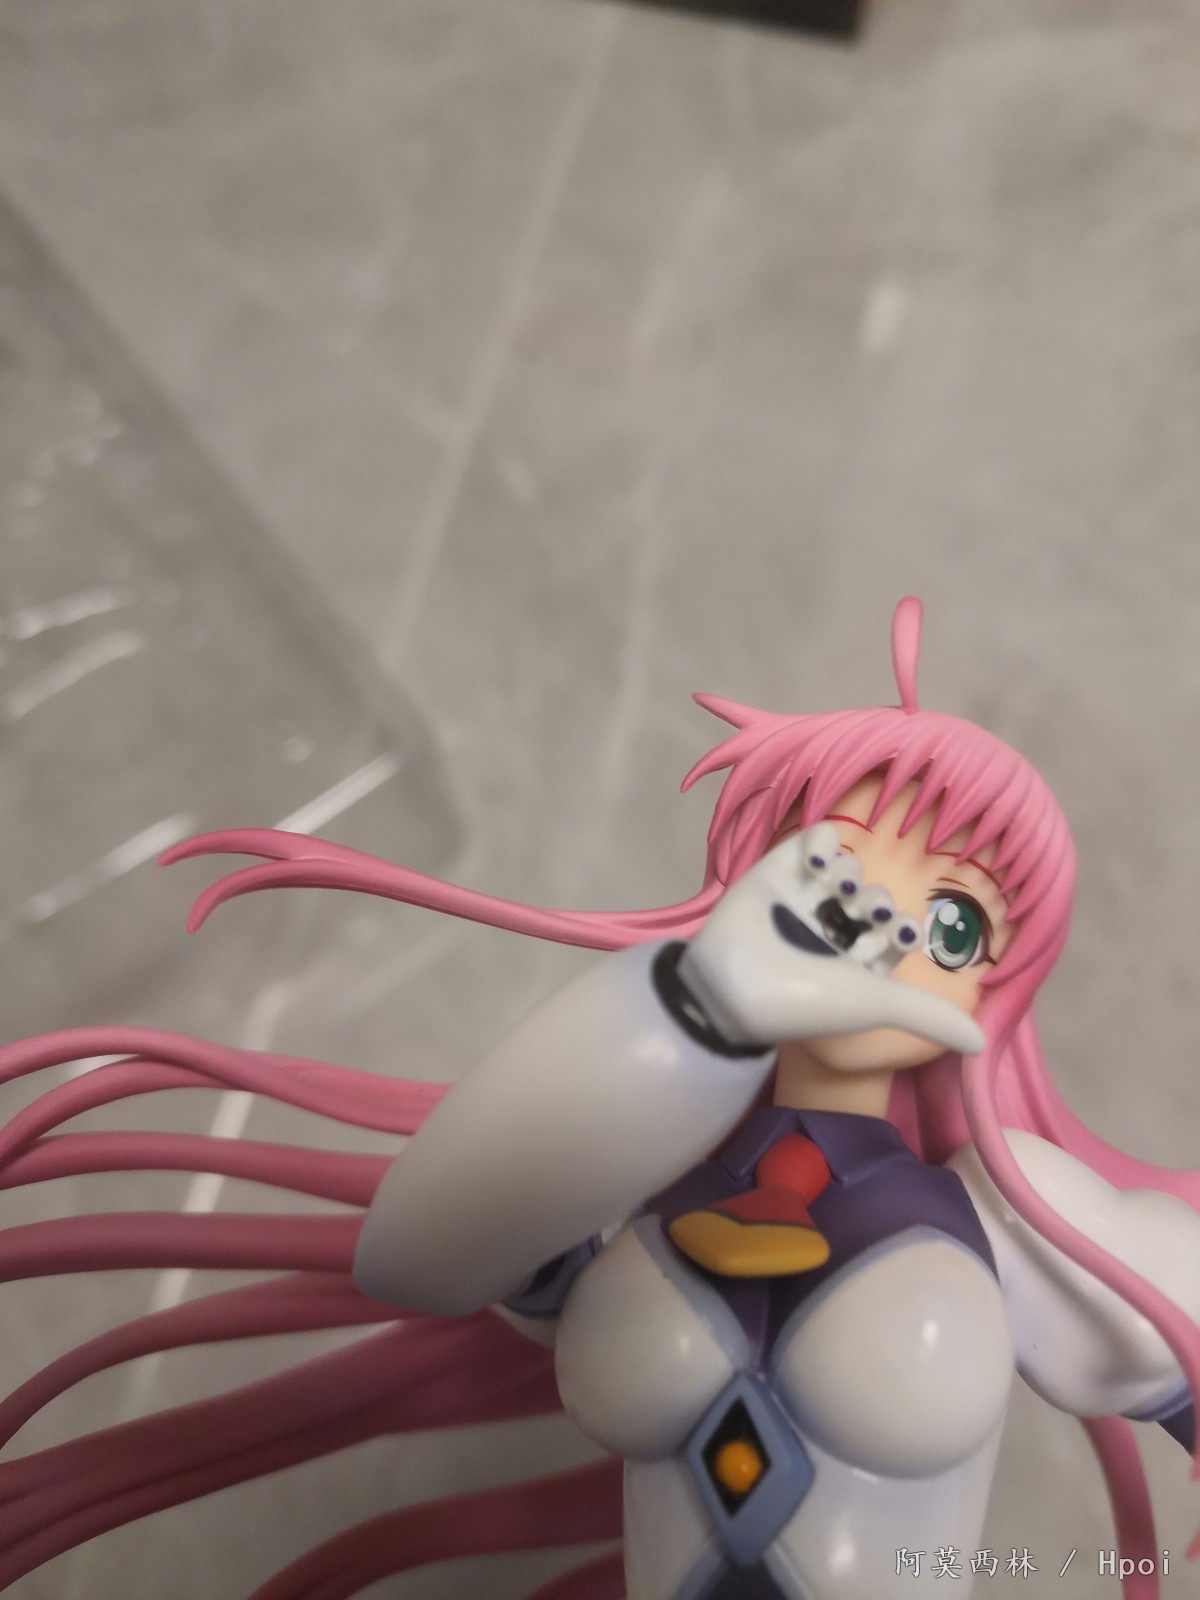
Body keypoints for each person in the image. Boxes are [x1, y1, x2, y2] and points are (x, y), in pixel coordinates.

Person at [2, 599, 1197, 1600]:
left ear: (997, 984)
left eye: (952, 923)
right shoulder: (632, 1176)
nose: (876, 931)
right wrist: (702, 1007)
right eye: (830, 868)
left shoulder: (1015, 1218)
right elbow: (418, 1254)